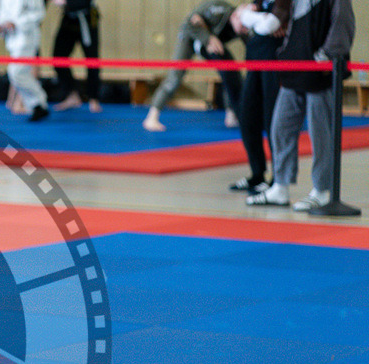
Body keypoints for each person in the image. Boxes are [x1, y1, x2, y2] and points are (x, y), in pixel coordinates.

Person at [247, 0, 354, 211]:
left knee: (321, 132)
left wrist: (327, 56)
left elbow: (343, 25)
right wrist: (285, 50)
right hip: (295, 65)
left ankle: (322, 191)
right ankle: (280, 186)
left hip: (320, 70)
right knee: (281, 127)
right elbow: (289, 23)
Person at [142, 1, 243, 133]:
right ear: (235, 17)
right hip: (190, 37)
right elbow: (192, 21)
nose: (243, 30)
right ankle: (152, 116)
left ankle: (231, 114)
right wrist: (208, 38)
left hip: (208, 43)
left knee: (230, 71)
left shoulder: (242, 26)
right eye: (243, 27)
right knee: (174, 77)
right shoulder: (220, 11)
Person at [228, 1, 288, 194]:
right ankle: (257, 174)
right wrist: (254, 18)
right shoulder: (260, 1)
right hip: (254, 59)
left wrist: (254, 20)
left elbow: (269, 25)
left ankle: (277, 180)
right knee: (246, 117)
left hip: (275, 62)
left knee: (273, 121)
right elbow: (239, 18)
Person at [0, 0, 49, 122]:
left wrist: (16, 23)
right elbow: (2, 15)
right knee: (16, 74)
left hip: (27, 38)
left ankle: (38, 102)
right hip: (12, 40)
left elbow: (39, 14)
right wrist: (0, 26)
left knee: (17, 72)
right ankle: (37, 104)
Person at [50, 0, 101, 113]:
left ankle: (94, 98)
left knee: (92, 60)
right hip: (69, 19)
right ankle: (72, 95)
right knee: (58, 57)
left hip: (87, 18)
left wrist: (66, 2)